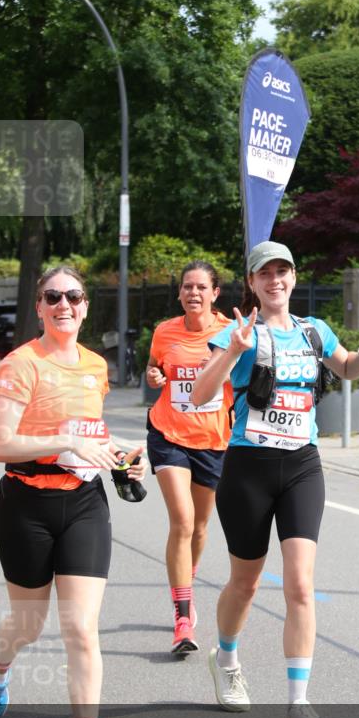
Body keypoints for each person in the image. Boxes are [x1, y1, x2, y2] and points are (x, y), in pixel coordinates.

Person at [192, 241, 359, 718]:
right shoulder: (237, 332)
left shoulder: (314, 330)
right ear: (252, 282)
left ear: (294, 278)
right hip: (248, 468)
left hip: (302, 465)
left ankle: (298, 705)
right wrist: (234, 351)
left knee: (300, 584)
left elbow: (346, 369)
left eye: (282, 271)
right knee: (245, 582)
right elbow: (199, 395)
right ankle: (226, 657)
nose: (275, 280)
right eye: (265, 273)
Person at [0, 266, 146, 718]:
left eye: (73, 296)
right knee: (28, 625)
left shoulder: (95, 366)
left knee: (81, 628)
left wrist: (121, 457)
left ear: (85, 307)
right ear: (39, 307)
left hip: (84, 502)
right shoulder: (20, 364)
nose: (63, 305)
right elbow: (0, 445)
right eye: (52, 297)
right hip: (26, 504)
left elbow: (91, 434)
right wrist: (65, 442)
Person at [145, 261, 233, 654]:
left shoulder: (231, 332)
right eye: (187, 287)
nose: (193, 293)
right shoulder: (165, 331)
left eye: (200, 287)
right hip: (169, 434)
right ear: (180, 293)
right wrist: (154, 376)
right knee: (181, 521)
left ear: (215, 293)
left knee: (199, 528)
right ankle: (182, 620)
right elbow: (154, 368)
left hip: (213, 440)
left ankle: (187, 581)